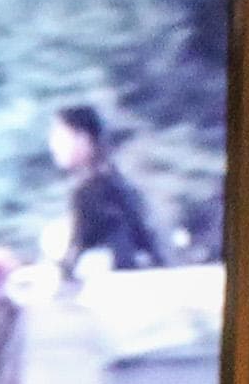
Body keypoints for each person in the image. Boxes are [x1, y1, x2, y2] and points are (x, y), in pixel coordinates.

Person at [45, 101, 167, 274]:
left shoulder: (91, 191)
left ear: (83, 139)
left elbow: (74, 256)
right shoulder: (116, 183)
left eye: (59, 135)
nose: (53, 144)